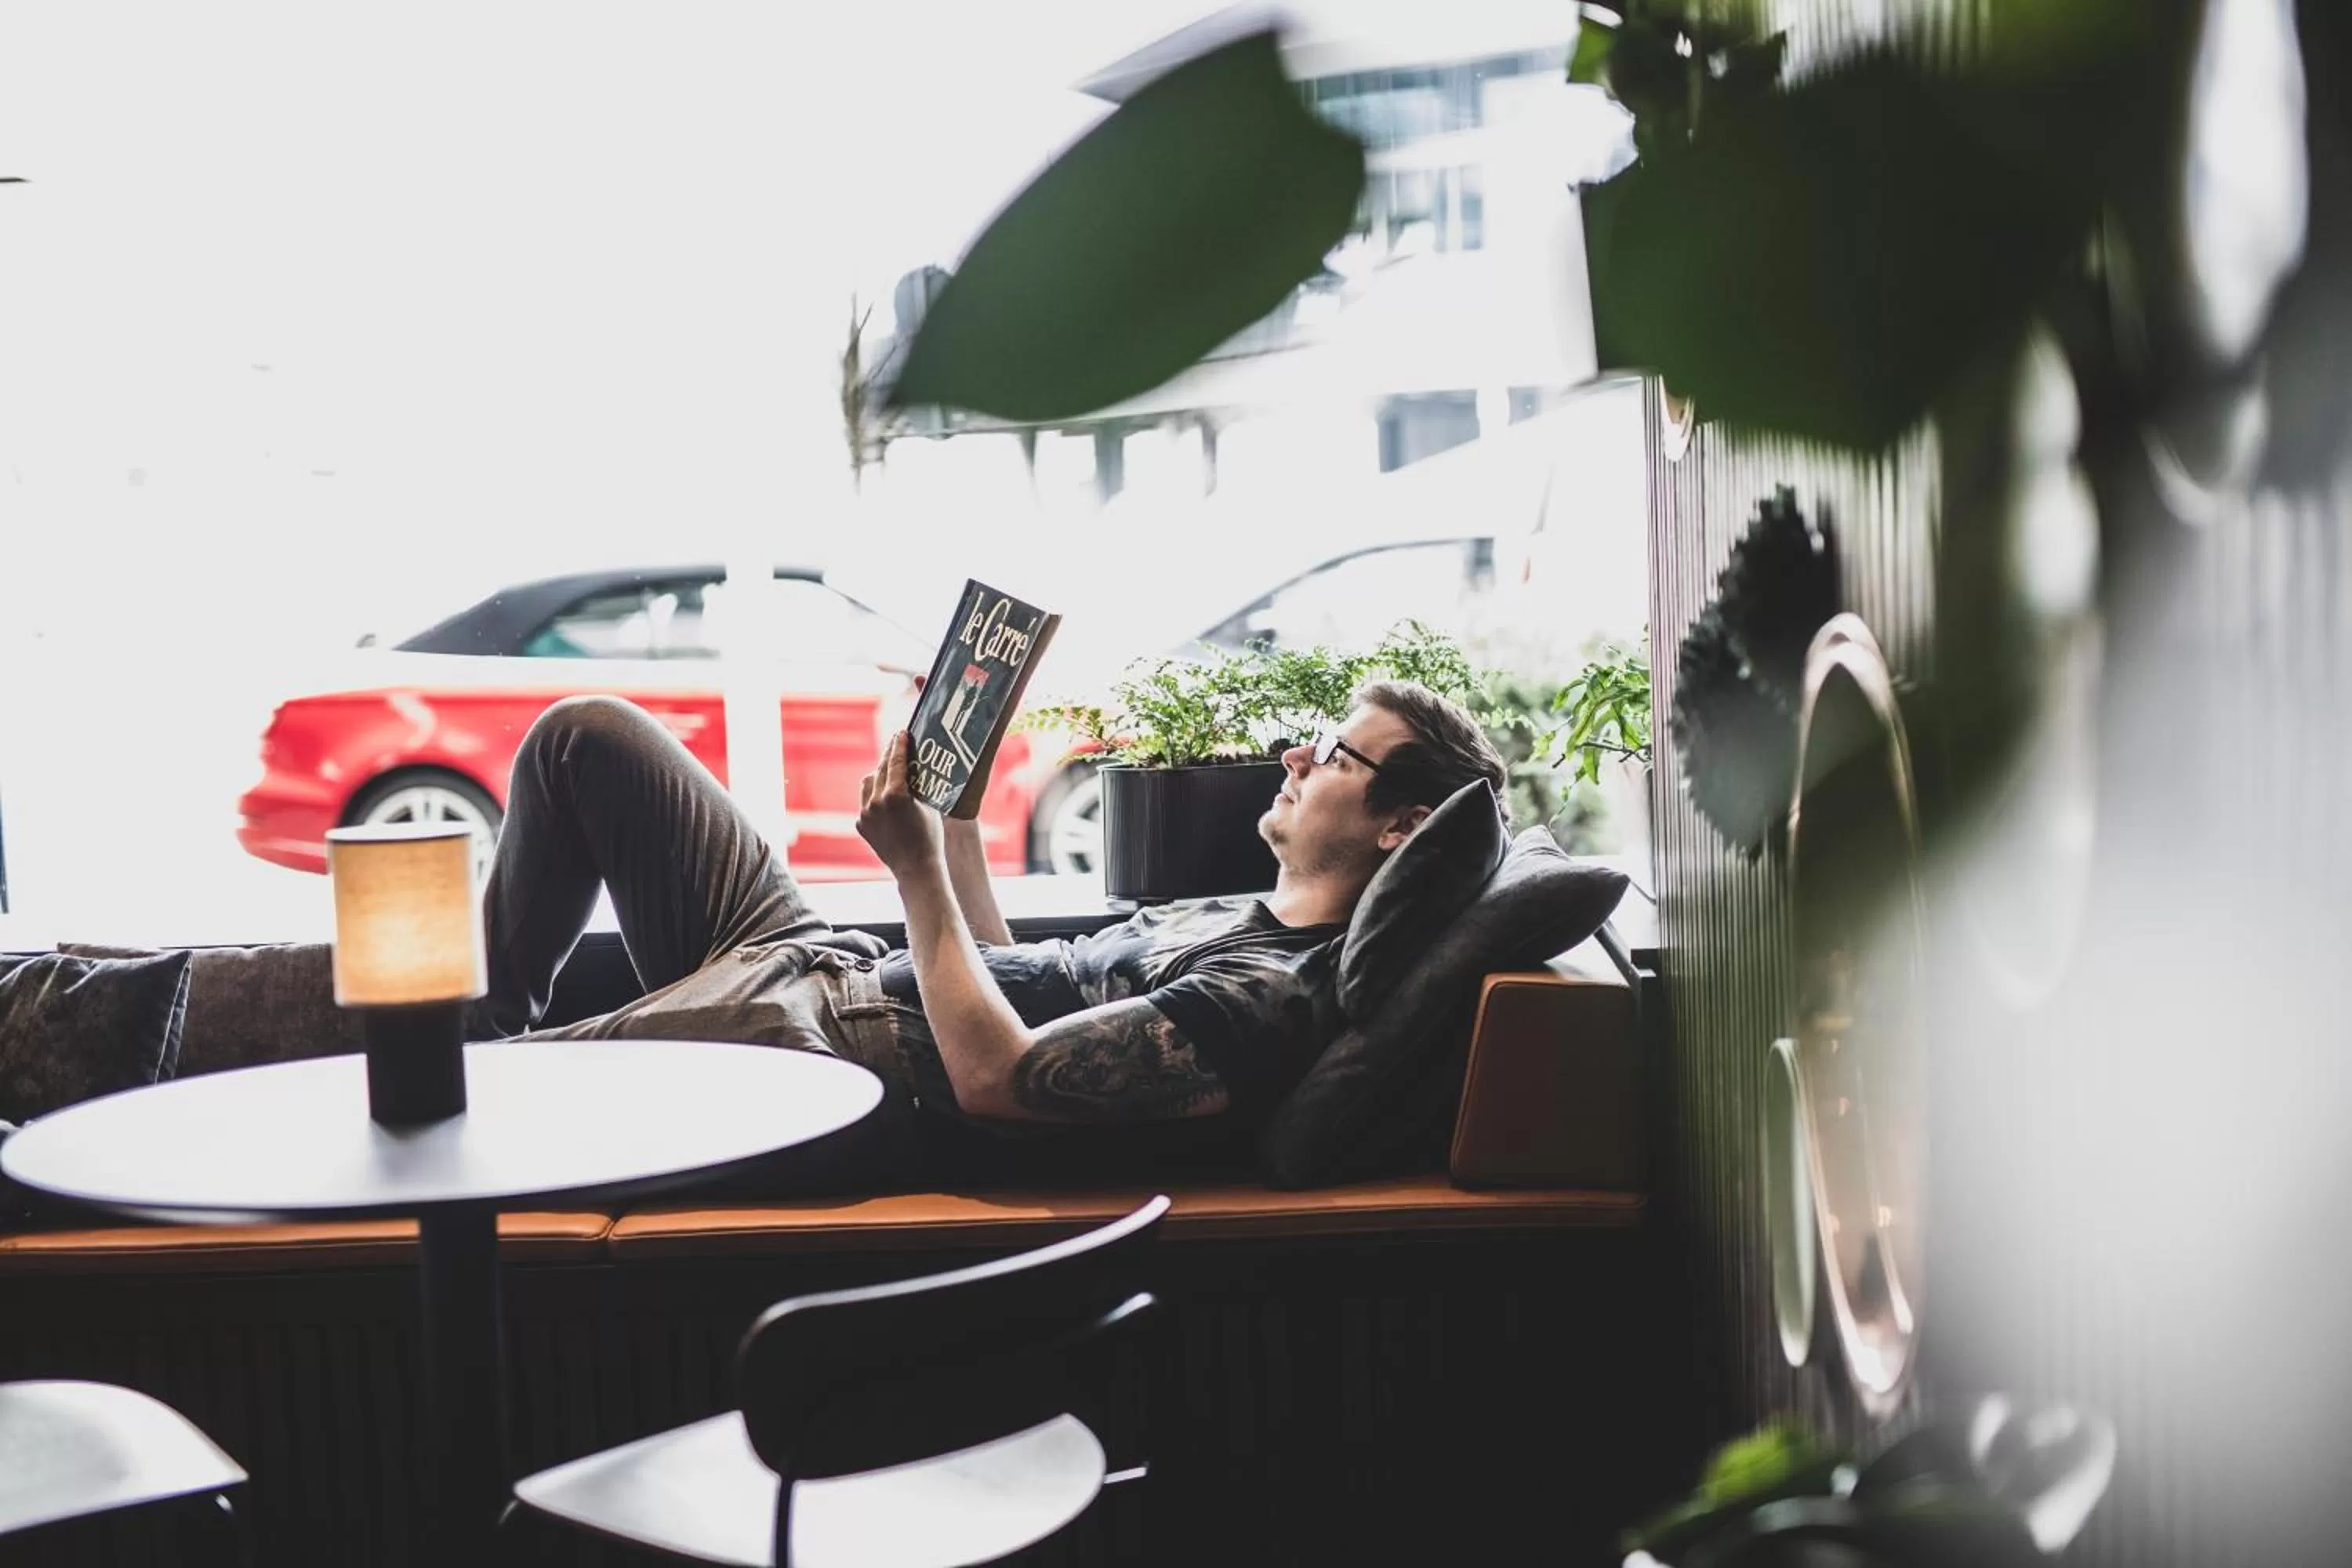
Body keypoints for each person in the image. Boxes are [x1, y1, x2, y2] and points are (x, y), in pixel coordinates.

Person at [478, 681, 1506, 1174]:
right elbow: (1029, 976)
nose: (1296, 757)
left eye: (1334, 756)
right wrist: (961, 827)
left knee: (480, 1099)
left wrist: (916, 868)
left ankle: (468, 1070)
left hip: (831, 1052)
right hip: (831, 968)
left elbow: (1000, 1080)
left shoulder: (1268, 998)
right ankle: (484, 1021)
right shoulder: (1245, 912)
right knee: (586, 739)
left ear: (1402, 827)